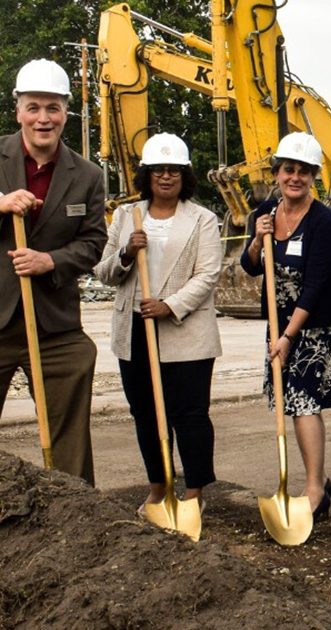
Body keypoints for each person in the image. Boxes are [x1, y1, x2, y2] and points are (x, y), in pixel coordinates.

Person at [94, 134, 222, 512]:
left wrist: (170, 305)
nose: (166, 177)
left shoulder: (203, 219)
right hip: (134, 330)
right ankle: (159, 485)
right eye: (158, 171)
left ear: (185, 176)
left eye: (174, 171)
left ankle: (195, 491)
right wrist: (126, 252)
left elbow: (208, 274)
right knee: (146, 413)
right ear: (146, 176)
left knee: (190, 413)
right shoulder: (125, 216)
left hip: (186, 332)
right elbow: (103, 272)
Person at [241, 132, 331, 521]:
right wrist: (259, 241)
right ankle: (319, 480)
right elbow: (250, 266)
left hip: (315, 327)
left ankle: (314, 489)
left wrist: (289, 337)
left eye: (304, 171)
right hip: (281, 327)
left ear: (313, 176)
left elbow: (316, 284)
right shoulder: (264, 213)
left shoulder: (323, 221)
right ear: (277, 173)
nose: (295, 177)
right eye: (288, 169)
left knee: (303, 403)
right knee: (294, 404)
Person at [0, 58, 106, 484]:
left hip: (53, 324)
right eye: (33, 107)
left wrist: (50, 261)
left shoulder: (87, 175)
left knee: (68, 434)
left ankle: (77, 521)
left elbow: (93, 243)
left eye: (53, 108)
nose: (43, 118)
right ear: (18, 110)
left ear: (65, 112)